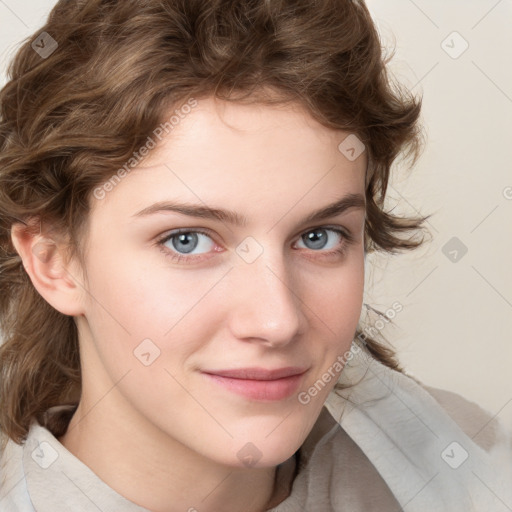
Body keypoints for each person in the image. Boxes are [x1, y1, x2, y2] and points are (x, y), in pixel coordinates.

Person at [0, 0, 509, 511]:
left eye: (319, 237)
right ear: (53, 262)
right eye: (188, 241)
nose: (278, 321)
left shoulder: (469, 464)